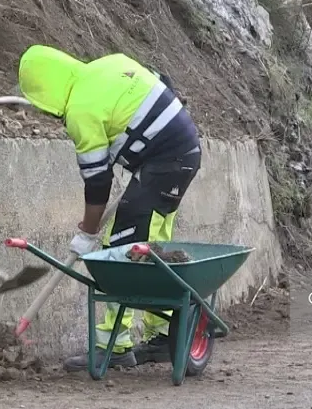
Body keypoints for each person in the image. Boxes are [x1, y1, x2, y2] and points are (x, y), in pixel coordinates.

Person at [16, 44, 201, 371]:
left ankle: (115, 346)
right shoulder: (109, 64)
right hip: (176, 154)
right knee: (153, 243)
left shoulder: (80, 112)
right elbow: (163, 81)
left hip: (166, 161)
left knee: (122, 249)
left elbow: (98, 181)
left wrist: (87, 232)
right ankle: (163, 334)